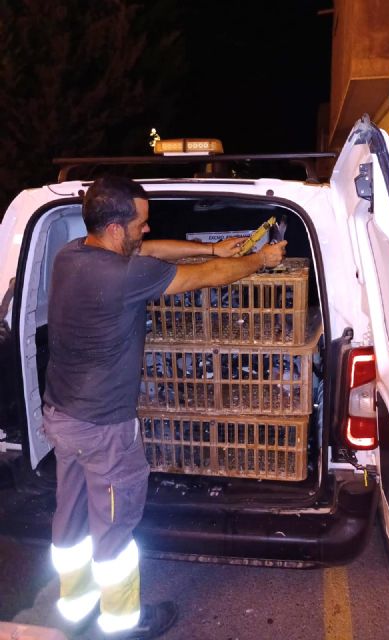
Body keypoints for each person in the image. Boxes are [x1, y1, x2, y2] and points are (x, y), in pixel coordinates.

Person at [42, 175, 286, 639]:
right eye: (141, 224)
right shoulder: (123, 276)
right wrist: (260, 258)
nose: (147, 232)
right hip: (104, 431)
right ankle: (121, 623)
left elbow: (152, 253)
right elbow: (206, 279)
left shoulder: (72, 255)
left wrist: (213, 248)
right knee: (114, 530)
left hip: (61, 418)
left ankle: (74, 606)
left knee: (70, 514)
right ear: (116, 229)